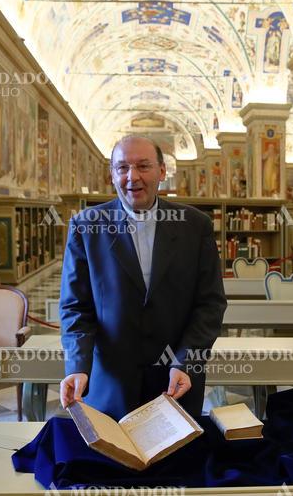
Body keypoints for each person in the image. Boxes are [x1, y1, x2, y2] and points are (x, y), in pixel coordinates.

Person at [59, 135, 227, 420]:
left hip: (176, 381)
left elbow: (210, 304)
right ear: (112, 174)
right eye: (122, 167)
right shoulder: (86, 227)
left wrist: (186, 362)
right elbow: (75, 306)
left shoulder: (195, 226)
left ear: (162, 171)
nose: (132, 176)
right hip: (110, 383)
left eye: (143, 166)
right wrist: (77, 365)